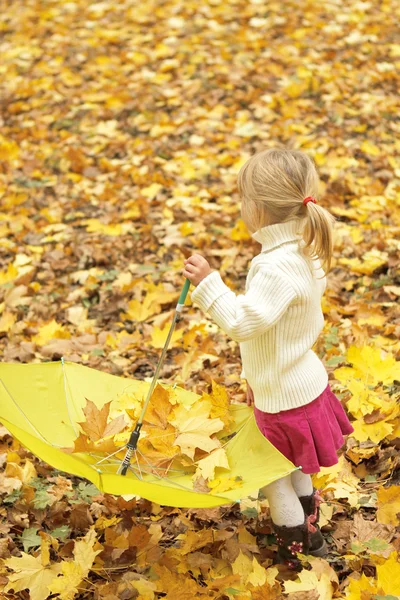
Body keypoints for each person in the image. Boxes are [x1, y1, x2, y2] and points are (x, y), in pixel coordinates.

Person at [182, 147, 354, 571]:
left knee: (274, 477)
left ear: (257, 209)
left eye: (244, 199)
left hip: (282, 399)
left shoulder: (274, 266)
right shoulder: (305, 245)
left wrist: (209, 286)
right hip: (303, 383)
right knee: (297, 465)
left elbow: (245, 321)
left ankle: (302, 549)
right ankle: (309, 521)